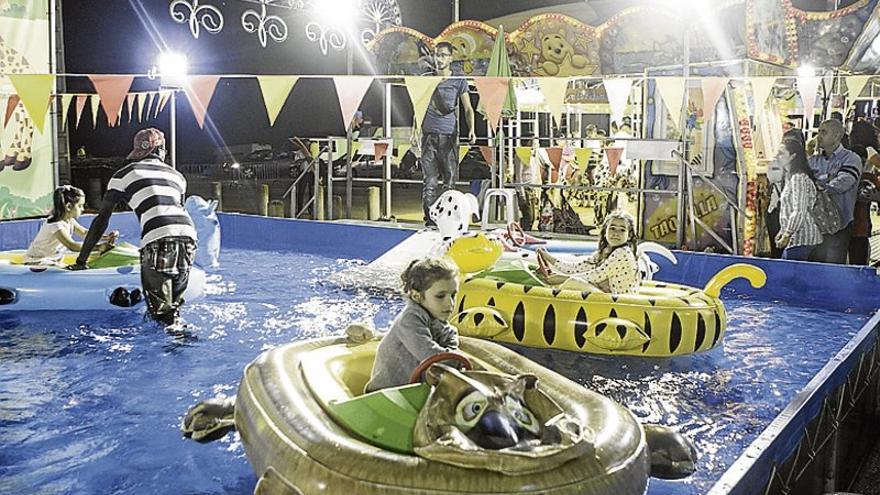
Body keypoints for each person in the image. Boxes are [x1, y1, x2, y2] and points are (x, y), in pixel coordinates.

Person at [69, 128, 198, 325]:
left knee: (160, 312)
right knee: (174, 307)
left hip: (158, 237)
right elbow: (175, 211)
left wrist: (81, 260)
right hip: (189, 236)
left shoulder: (124, 174)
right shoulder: (178, 176)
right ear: (162, 150)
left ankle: (172, 343)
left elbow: (101, 220)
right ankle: (182, 342)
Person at [364, 257, 460, 392]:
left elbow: (452, 348)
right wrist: (459, 360)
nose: (450, 303)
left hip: (412, 392)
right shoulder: (409, 320)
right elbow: (431, 356)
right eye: (440, 296)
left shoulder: (442, 324)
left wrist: (456, 357)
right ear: (416, 296)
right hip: (384, 394)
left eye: (453, 295)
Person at [420, 41, 476, 227]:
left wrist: (472, 129)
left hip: (449, 136)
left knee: (449, 182)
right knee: (429, 183)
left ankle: (446, 221)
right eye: (437, 54)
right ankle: (430, 221)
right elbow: (418, 106)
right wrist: (414, 130)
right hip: (428, 135)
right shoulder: (426, 78)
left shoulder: (459, 80)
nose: (439, 58)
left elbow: (468, 108)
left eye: (443, 55)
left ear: (451, 58)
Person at [535, 210, 640, 295]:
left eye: (622, 230)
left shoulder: (623, 253)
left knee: (573, 282)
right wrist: (548, 258)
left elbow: (596, 275)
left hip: (619, 302)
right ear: (605, 231)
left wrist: (560, 279)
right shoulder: (604, 252)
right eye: (612, 228)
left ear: (629, 235)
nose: (616, 233)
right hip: (610, 298)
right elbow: (576, 268)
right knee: (572, 281)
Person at [808, 119, 863, 264]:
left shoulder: (851, 159)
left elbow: (841, 184)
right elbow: (803, 184)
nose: (818, 136)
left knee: (832, 270)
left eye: (824, 132)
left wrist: (817, 183)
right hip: (814, 226)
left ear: (837, 135)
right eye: (818, 131)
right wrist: (827, 178)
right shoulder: (813, 160)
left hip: (839, 226)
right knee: (812, 270)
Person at [24, 185, 117, 265]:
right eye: (80, 206)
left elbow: (85, 233)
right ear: (68, 207)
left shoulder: (69, 220)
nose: (83, 209)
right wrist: (99, 247)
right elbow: (72, 245)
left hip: (52, 260)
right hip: (36, 261)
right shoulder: (55, 224)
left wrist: (106, 237)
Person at [774, 138, 822, 261]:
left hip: (801, 238)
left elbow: (799, 210)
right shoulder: (790, 176)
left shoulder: (798, 178)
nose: (777, 156)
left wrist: (787, 233)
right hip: (797, 238)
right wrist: (783, 230)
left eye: (781, 153)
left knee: (789, 275)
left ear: (793, 156)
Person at [765, 128, 806, 258]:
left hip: (797, 217)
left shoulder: (804, 169)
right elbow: (772, 175)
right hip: (777, 211)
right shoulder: (778, 163)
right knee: (777, 250)